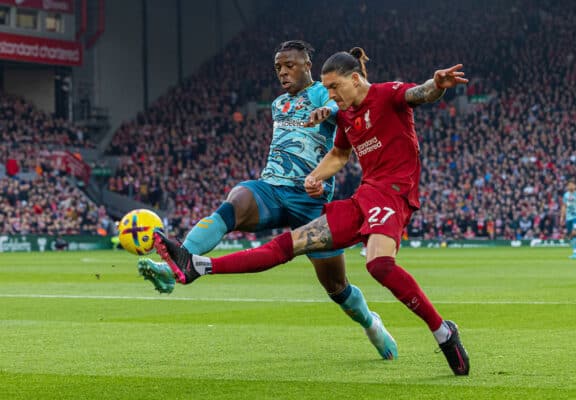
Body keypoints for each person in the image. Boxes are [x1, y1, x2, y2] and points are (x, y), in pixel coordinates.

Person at [148, 47, 471, 375]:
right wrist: (315, 175)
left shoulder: (387, 93)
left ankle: (443, 332)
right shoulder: (345, 117)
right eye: (327, 88)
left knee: (378, 266)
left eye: (334, 87)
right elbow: (339, 154)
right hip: (361, 199)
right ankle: (197, 265)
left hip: (393, 195)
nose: (330, 94)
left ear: (355, 79)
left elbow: (420, 94)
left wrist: (437, 84)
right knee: (288, 246)